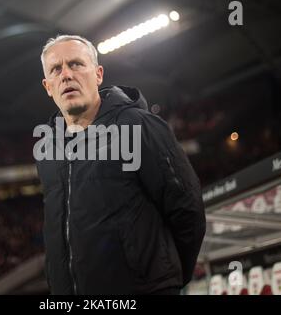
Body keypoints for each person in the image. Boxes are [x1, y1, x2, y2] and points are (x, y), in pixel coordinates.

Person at [35, 34, 206, 295]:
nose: (66, 75)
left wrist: (164, 281)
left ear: (99, 74)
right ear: (48, 87)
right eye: (56, 69)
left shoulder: (137, 125)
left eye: (76, 64)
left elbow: (187, 208)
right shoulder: (48, 148)